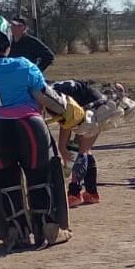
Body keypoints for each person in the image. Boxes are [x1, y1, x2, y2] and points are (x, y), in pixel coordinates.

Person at [0, 16, 73, 249]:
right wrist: (66, 110)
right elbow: (47, 98)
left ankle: (15, 230)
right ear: (8, 40)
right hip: (30, 127)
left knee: (5, 181)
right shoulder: (24, 65)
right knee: (40, 177)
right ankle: (47, 228)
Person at [52, 79, 106, 208]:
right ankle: (92, 193)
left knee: (81, 151)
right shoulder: (50, 89)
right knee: (85, 149)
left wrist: (62, 147)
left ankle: (74, 194)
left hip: (92, 107)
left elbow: (67, 121)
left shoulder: (50, 96)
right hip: (98, 103)